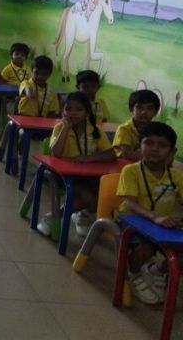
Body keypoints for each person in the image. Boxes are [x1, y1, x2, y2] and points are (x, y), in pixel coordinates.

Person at [116, 122, 183, 305]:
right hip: (133, 222)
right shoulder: (130, 171)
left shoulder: (176, 176)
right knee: (145, 249)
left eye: (162, 145)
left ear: (172, 152)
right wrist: (156, 217)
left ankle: (158, 270)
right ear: (140, 146)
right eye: (149, 143)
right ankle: (134, 274)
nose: (155, 149)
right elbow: (130, 204)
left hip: (163, 226)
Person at [38, 91, 116, 236]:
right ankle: (54, 216)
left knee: (104, 196)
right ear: (63, 111)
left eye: (79, 109)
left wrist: (90, 158)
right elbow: (56, 153)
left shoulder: (95, 130)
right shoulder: (60, 128)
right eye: (68, 109)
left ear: (87, 112)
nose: (73, 113)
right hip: (63, 175)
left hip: (88, 176)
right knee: (88, 198)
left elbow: (111, 155)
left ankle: (81, 214)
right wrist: (66, 128)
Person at [113, 90, 161, 160]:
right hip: (123, 164)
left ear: (155, 112)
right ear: (131, 109)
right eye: (139, 107)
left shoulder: (156, 130)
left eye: (149, 108)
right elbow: (127, 155)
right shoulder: (124, 129)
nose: (144, 112)